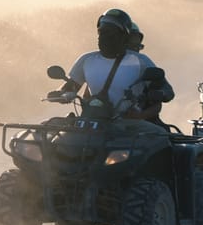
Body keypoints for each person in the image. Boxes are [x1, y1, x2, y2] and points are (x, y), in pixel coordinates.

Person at [55, 9, 173, 147]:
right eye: (101, 31)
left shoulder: (140, 61)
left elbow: (167, 90)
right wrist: (61, 93)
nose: (103, 36)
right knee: (50, 134)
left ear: (123, 36)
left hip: (128, 124)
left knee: (162, 138)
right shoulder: (87, 59)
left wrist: (159, 93)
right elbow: (71, 86)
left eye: (110, 32)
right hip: (91, 122)